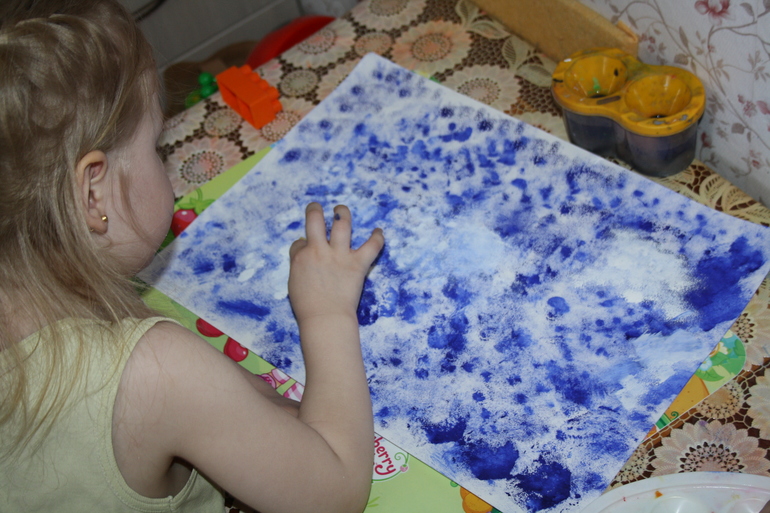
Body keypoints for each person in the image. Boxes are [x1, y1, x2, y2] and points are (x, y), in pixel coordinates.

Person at [0, 1, 385, 512]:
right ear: (93, 195)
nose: (167, 162)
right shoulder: (155, 371)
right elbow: (333, 494)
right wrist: (327, 313)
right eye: (156, 146)